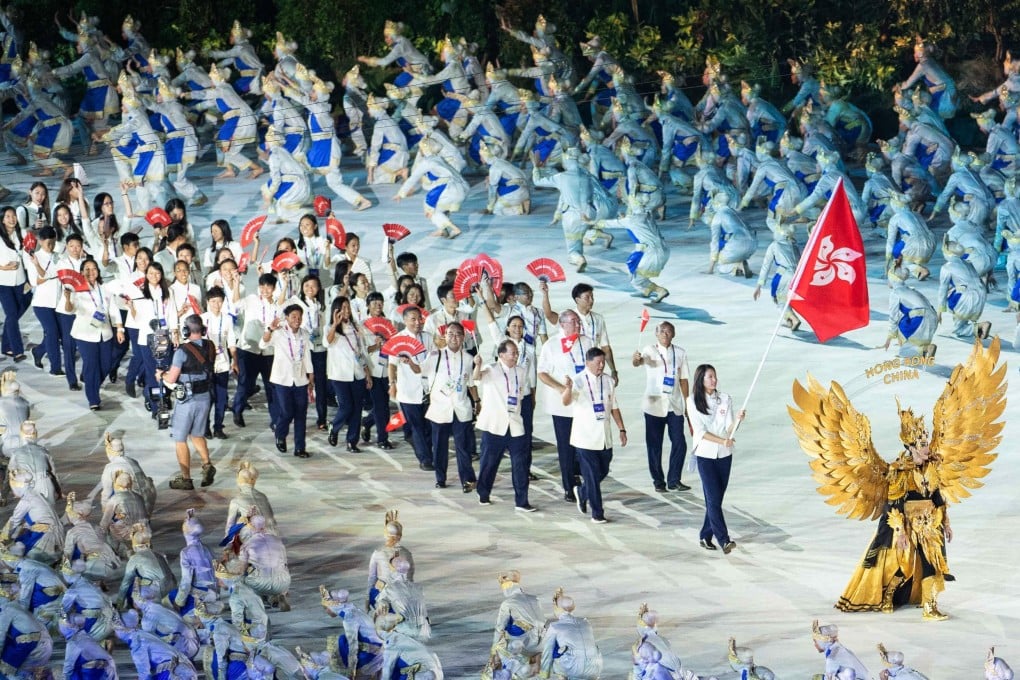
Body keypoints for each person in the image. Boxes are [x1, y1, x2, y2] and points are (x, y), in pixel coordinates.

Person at [562, 347, 626, 524]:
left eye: (603, 362)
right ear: (588, 363)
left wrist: (622, 429)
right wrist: (567, 388)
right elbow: (566, 401)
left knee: (603, 470)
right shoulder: (577, 381)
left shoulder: (608, 381)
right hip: (585, 437)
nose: (602, 365)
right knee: (591, 475)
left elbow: (614, 407)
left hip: (604, 436)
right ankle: (597, 513)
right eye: (598, 362)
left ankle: (582, 492)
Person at [687, 363, 744, 553]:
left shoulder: (725, 399)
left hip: (724, 455)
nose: (714, 380)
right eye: (710, 377)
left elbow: (729, 428)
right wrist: (722, 441)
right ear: (701, 379)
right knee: (712, 498)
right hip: (705, 454)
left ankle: (705, 535)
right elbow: (700, 431)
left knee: (715, 500)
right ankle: (724, 540)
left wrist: (737, 420)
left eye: (715, 376)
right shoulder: (692, 401)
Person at [537, 310, 593, 502]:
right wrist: (561, 388)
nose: (578, 325)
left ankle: (584, 479)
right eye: (573, 322)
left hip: (583, 403)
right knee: (566, 447)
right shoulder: (551, 345)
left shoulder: (586, 342)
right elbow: (542, 373)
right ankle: (569, 486)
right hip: (562, 405)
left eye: (578, 321)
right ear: (562, 324)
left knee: (584, 444)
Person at [157, 314, 217, 490]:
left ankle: (186, 478)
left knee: (180, 438)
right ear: (202, 329)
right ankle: (207, 464)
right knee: (197, 434)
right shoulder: (210, 346)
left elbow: (172, 378)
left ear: (186, 331)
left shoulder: (182, 352)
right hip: (205, 397)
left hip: (187, 401)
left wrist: (161, 375)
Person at [632, 322, 691, 492]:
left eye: (668, 331)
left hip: (674, 405)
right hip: (654, 405)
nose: (665, 334)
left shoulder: (680, 352)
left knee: (680, 443)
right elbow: (638, 362)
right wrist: (636, 359)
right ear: (656, 334)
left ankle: (674, 480)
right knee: (654, 446)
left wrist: (687, 403)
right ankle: (658, 481)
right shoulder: (649, 350)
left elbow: (684, 379)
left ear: (674, 334)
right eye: (662, 331)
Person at [474, 341, 533, 509]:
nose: (516, 356)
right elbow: (477, 378)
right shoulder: (491, 369)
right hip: (495, 425)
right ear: (501, 355)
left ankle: (522, 501)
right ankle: (483, 492)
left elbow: (520, 394)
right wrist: (477, 365)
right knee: (490, 463)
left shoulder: (521, 371)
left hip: (515, 424)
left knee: (520, 464)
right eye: (512, 353)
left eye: (516, 353)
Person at [423, 322, 478, 490]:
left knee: (463, 446)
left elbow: (471, 383)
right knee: (440, 446)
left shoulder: (468, 358)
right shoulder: (435, 356)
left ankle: (467, 480)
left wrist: (477, 401)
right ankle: (440, 478)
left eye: (458, 334)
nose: (454, 337)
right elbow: (420, 370)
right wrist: (408, 361)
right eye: (450, 334)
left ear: (463, 337)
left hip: (461, 408)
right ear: (445, 336)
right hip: (440, 409)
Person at [261, 302, 314, 457]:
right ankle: (280, 434)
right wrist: (270, 329)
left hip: (300, 379)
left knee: (301, 414)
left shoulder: (304, 334)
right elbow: (263, 344)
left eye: (299, 317)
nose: (297, 320)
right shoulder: (279, 333)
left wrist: (311, 375)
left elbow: (307, 356)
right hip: (282, 379)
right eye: (293, 317)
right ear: (287, 318)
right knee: (287, 411)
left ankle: (300, 448)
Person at [64, 257, 119, 410]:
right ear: (81, 272)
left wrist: (120, 328)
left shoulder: (105, 288)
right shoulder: (76, 289)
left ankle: (91, 382)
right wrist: (67, 299)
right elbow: (70, 310)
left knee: (106, 364)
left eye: (93, 268)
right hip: (85, 334)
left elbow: (113, 309)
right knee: (91, 364)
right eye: (87, 269)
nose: (90, 272)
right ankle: (93, 399)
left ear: (98, 271)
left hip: (105, 332)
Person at [388, 305, 436, 469]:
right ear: (405, 320)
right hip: (408, 390)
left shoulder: (428, 337)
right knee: (417, 426)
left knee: (428, 425)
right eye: (413, 319)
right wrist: (392, 384)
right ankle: (425, 459)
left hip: (427, 388)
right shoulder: (398, 339)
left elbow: (434, 359)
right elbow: (392, 365)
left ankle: (427, 452)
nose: (417, 322)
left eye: (419, 319)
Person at [326, 295, 371, 450]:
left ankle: (352, 441)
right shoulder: (330, 328)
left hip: (357, 373)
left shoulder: (355, 327)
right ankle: (334, 426)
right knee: (346, 407)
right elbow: (327, 342)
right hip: (340, 375)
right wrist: (334, 325)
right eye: (343, 307)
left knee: (357, 408)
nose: (346, 310)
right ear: (336, 310)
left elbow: (361, 352)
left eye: (348, 307)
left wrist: (367, 373)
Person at [540, 590, 602, 680]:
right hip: (595, 669)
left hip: (574, 670)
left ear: (558, 608)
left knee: (552, 646)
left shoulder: (555, 626)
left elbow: (547, 652)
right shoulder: (585, 623)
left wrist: (544, 674)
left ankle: (562, 677)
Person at [201, 286, 237, 439]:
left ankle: (218, 427)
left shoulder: (227, 319)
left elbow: (231, 342)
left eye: (219, 301)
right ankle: (205, 427)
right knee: (207, 399)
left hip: (222, 363)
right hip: (206, 365)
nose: (216, 304)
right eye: (213, 301)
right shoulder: (202, 319)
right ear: (208, 302)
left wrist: (235, 360)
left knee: (221, 398)